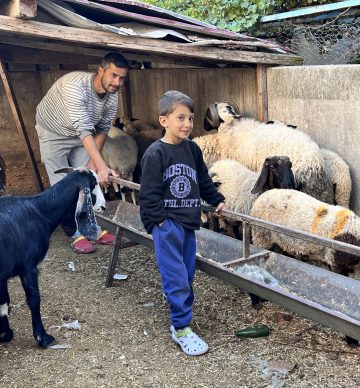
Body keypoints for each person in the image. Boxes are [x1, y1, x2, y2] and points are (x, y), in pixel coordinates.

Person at [139, 90, 225, 356]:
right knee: (177, 278)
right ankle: (181, 328)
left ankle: (175, 300)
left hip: (188, 222)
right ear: (164, 120)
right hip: (167, 226)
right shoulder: (155, 154)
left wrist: (215, 199)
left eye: (190, 118)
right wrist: (159, 224)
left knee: (186, 274)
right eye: (180, 118)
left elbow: (202, 178)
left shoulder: (192, 149)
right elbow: (149, 194)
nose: (187, 124)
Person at [36, 52, 128, 253]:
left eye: (121, 78)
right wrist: (103, 166)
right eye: (113, 75)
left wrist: (95, 166)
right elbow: (83, 128)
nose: (117, 82)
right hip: (53, 131)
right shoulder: (75, 86)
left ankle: (93, 229)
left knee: (87, 180)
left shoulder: (112, 95)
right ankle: (75, 234)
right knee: (62, 184)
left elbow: (103, 128)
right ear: (101, 70)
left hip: (81, 134)